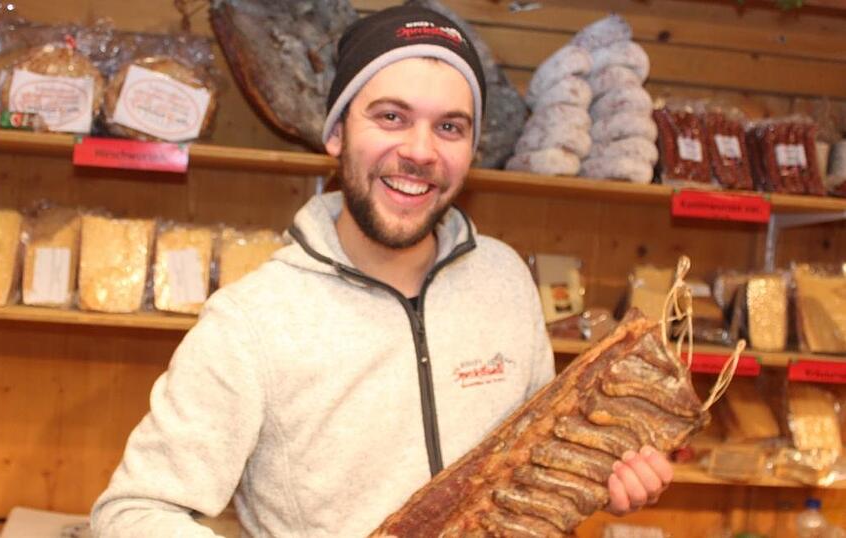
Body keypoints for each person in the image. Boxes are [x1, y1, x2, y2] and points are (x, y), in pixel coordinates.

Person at [91, 5, 672, 537]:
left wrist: (600, 476)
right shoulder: (254, 320)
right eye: (392, 117)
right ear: (337, 133)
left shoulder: (503, 279)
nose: (421, 150)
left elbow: (534, 469)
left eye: (450, 126)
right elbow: (134, 513)